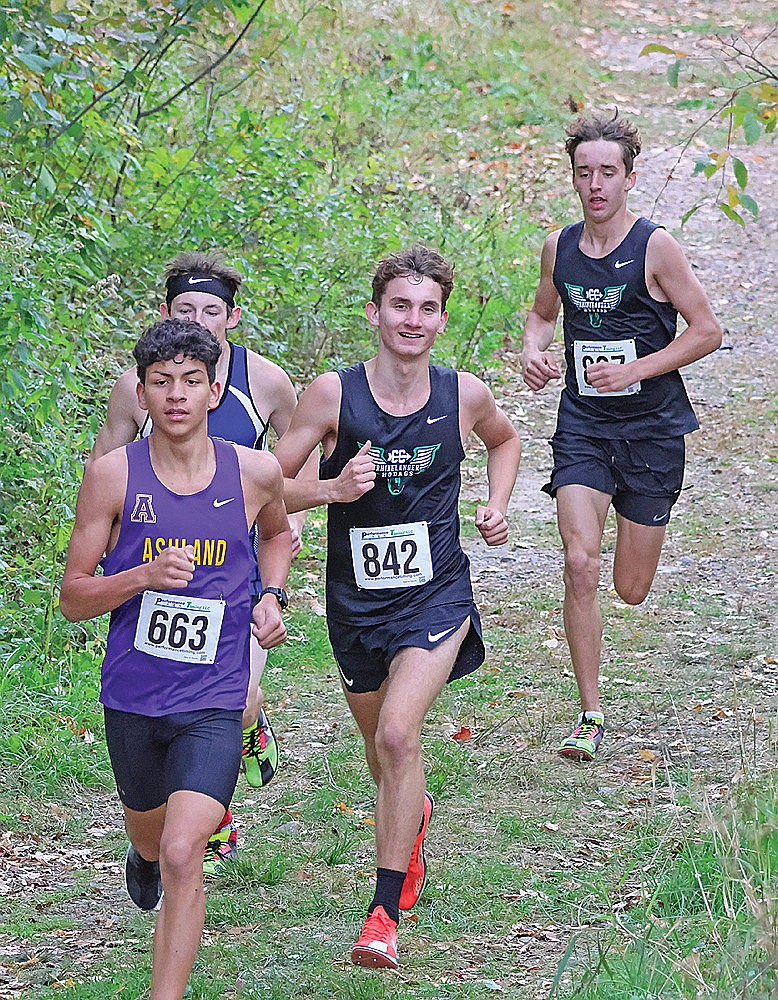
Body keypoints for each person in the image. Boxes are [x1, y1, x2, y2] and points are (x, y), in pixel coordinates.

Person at [273, 245, 521, 969]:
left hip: (435, 591)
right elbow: (268, 486)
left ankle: (382, 913)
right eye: (400, 305)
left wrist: (495, 502)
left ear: (443, 319)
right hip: (355, 603)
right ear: (375, 312)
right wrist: (331, 490)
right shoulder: (331, 395)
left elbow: (503, 441)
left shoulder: (462, 394)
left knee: (399, 736)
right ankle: (410, 818)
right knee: (382, 751)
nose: (413, 320)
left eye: (428, 308)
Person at [60, 318, 292, 1000]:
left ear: (216, 391)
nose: (177, 395)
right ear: (142, 391)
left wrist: (271, 597)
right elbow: (74, 597)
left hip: (215, 696)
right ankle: (143, 851)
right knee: (156, 837)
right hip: (134, 694)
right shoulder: (111, 476)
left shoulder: (254, 471)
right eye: (161, 382)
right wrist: (139, 577)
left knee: (188, 853)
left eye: (192, 381)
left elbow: (278, 536)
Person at [90, 251, 315, 872]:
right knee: (166, 753)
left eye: (211, 311)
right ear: (165, 313)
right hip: (159, 574)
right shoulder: (141, 387)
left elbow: (297, 455)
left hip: (233, 563)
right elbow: (104, 462)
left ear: (232, 319)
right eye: (186, 309)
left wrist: (288, 520)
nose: (201, 320)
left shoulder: (266, 381)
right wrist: (115, 546)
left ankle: (206, 805)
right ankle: (161, 836)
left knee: (236, 698)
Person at [520, 111, 722, 761]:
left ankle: (631, 559)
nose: (596, 184)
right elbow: (543, 312)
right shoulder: (561, 247)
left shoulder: (655, 247)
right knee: (580, 562)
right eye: (585, 173)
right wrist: (533, 349)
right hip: (584, 424)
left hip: (653, 429)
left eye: (608, 172)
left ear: (629, 178)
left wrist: (637, 367)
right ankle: (590, 712)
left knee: (630, 587)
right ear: (574, 180)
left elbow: (705, 330)